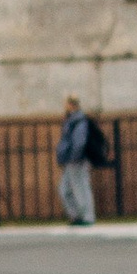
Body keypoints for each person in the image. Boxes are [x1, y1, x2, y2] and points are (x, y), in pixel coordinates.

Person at [54, 96, 103, 228]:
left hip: (76, 160)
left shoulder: (79, 121)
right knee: (65, 189)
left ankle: (87, 217)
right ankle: (76, 215)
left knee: (80, 188)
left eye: (66, 104)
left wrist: (74, 156)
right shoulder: (70, 120)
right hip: (70, 160)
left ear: (71, 105)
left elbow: (79, 141)